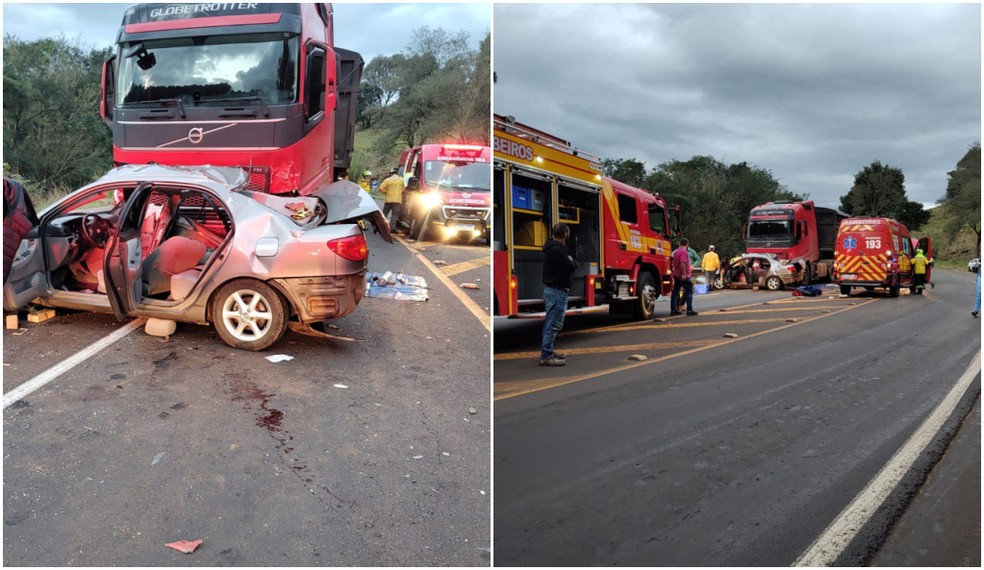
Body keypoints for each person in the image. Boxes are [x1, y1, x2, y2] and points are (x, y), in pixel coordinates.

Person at [540, 223, 577, 367]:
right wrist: (572, 261)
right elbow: (570, 267)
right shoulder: (558, 251)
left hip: (551, 291)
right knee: (553, 325)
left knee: (550, 323)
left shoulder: (552, 249)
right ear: (566, 234)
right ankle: (546, 356)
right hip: (557, 292)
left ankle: (548, 350)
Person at [670, 237, 698, 316]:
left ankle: (673, 309)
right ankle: (689, 309)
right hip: (682, 275)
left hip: (676, 274)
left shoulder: (676, 252)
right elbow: (682, 263)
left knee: (675, 292)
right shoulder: (684, 252)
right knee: (689, 290)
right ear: (687, 244)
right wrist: (684, 274)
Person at [378, 168, 405, 232]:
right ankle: (392, 228)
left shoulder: (387, 180)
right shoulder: (401, 180)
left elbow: (381, 188)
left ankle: (381, 226)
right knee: (394, 215)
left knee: (385, 214)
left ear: (391, 173)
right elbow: (403, 190)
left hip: (388, 200)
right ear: (396, 173)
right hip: (397, 200)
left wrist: (385, 192)